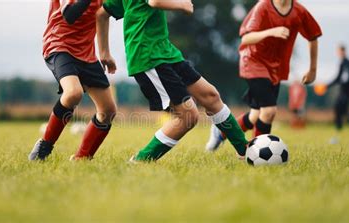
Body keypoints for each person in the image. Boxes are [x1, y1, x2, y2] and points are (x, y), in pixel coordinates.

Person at [96, 0, 248, 162]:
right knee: (187, 115)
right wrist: (182, 4)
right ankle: (140, 161)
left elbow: (101, 14)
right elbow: (155, 2)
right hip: (148, 55)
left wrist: (104, 52)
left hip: (165, 52)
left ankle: (244, 150)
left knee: (210, 96)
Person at [206, 0, 322, 151]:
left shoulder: (299, 11)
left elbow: (313, 37)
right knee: (268, 111)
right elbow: (246, 38)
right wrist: (270, 32)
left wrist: (312, 70)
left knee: (256, 115)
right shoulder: (263, 6)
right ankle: (257, 153)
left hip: (276, 68)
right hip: (254, 61)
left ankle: (221, 132)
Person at [28, 0, 117, 161]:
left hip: (86, 53)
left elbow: (104, 15)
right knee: (73, 93)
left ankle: (81, 158)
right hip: (59, 45)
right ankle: (44, 147)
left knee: (108, 111)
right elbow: (70, 14)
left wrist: (104, 52)